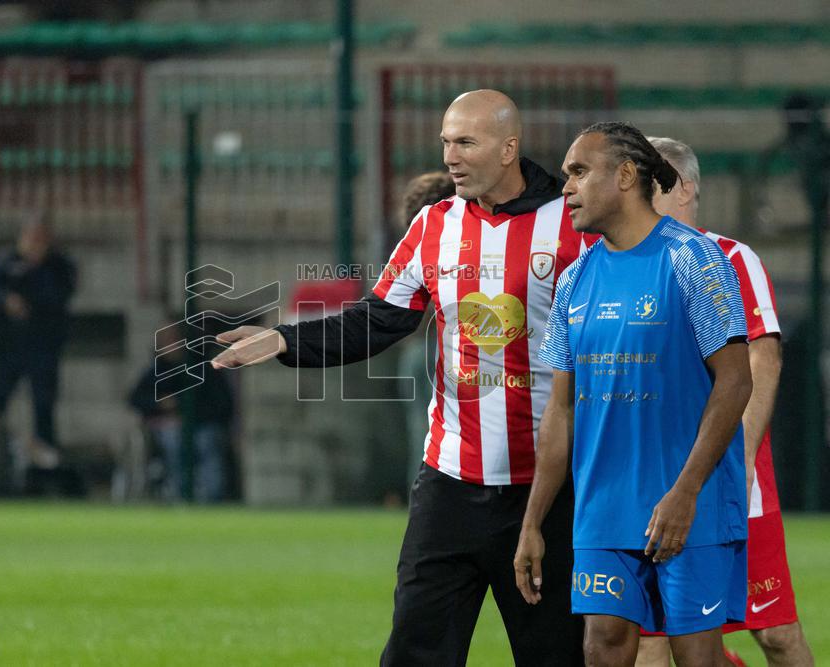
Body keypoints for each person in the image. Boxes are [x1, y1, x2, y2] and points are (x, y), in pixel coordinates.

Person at [212, 89, 593, 666]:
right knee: (415, 653)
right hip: (449, 485)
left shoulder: (572, 227)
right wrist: (287, 338)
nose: (451, 156)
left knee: (554, 656)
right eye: (446, 142)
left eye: (466, 141)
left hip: (548, 491)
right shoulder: (433, 224)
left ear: (509, 147)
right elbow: (378, 320)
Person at [514, 121, 753, 666]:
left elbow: (736, 380)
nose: (565, 186)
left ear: (624, 176)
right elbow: (561, 410)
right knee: (602, 648)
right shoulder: (575, 278)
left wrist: (686, 492)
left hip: (690, 505)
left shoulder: (694, 259)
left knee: (697, 657)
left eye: (579, 171)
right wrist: (533, 522)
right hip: (603, 508)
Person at [633, 137, 814, 667]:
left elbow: (764, 362)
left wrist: (740, 459)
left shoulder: (733, 258)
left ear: (685, 188)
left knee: (776, 632)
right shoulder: (622, 264)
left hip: (734, 483)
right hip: (651, 480)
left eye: (652, 181)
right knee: (651, 638)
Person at [0, 214, 76, 468]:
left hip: (43, 348)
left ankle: (46, 467)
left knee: (43, 407)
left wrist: (34, 271)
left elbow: (57, 297)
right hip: (9, 348)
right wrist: (4, 301)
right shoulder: (6, 263)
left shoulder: (59, 266)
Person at [394, 171, 455, 489]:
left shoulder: (411, 247)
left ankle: (420, 503)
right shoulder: (461, 241)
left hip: (416, 348)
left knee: (420, 430)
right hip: (453, 351)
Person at [128, 321, 235, 503]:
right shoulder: (156, 371)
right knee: (173, 441)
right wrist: (160, 405)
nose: (171, 346)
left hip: (203, 426)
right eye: (166, 341)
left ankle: (212, 497)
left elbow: (222, 404)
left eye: (175, 340)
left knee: (206, 442)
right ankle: (180, 494)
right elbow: (136, 399)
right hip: (169, 429)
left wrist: (191, 416)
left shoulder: (204, 369)